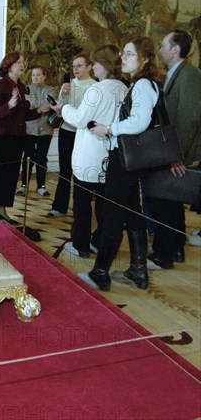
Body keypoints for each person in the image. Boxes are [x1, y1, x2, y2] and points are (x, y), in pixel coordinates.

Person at [80, 37, 162, 291]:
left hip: (125, 159)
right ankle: (138, 270)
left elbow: (139, 122)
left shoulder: (142, 86)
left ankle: (100, 272)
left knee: (112, 213)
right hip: (130, 159)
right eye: (123, 54)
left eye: (129, 54)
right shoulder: (142, 84)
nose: (122, 58)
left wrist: (109, 129)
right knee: (132, 212)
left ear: (145, 59)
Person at [51, 45, 128, 258]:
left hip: (90, 154)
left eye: (95, 63)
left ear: (103, 65)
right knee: (104, 204)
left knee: (83, 202)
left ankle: (80, 244)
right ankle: (98, 241)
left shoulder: (97, 89)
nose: (93, 67)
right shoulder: (123, 88)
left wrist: (62, 109)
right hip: (111, 154)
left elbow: (80, 119)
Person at [147, 30, 201, 269]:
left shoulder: (189, 75)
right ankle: (176, 247)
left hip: (174, 152)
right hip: (168, 149)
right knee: (171, 201)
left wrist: (176, 155)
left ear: (175, 49)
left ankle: (163, 254)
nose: (159, 50)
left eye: (163, 45)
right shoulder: (172, 74)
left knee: (164, 202)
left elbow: (189, 119)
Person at [0, 52, 50, 223]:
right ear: (9, 65)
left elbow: (23, 115)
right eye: (18, 62)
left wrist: (39, 111)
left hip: (18, 138)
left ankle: (2, 210)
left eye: (23, 61)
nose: (22, 65)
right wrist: (8, 105)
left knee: (10, 176)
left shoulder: (22, 88)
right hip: (0, 138)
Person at [47, 54, 95, 217]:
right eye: (74, 66)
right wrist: (64, 96)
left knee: (82, 170)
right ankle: (59, 207)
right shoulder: (68, 85)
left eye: (79, 65)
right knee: (65, 169)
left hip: (86, 134)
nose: (75, 69)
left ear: (89, 67)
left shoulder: (95, 86)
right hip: (67, 131)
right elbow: (60, 111)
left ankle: (82, 208)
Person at [16, 66, 56, 197]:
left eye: (38, 75)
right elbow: (29, 107)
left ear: (44, 76)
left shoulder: (50, 90)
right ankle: (23, 185)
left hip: (45, 130)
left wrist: (39, 107)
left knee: (41, 158)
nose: (35, 77)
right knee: (27, 157)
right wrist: (40, 107)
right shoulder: (27, 90)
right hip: (29, 129)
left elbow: (49, 105)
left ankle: (41, 186)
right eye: (33, 75)